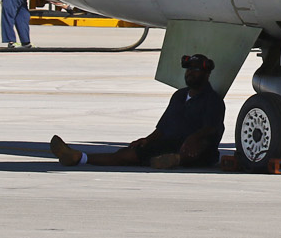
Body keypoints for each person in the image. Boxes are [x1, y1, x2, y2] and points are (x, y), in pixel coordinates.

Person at [50, 54, 225, 169]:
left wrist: (191, 139)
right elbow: (163, 127)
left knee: (198, 147)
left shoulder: (213, 100)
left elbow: (211, 129)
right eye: (188, 70)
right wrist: (147, 140)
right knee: (127, 154)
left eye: (195, 70)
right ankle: (78, 157)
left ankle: (176, 159)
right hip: (170, 143)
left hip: (196, 149)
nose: (190, 74)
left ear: (206, 74)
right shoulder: (179, 96)